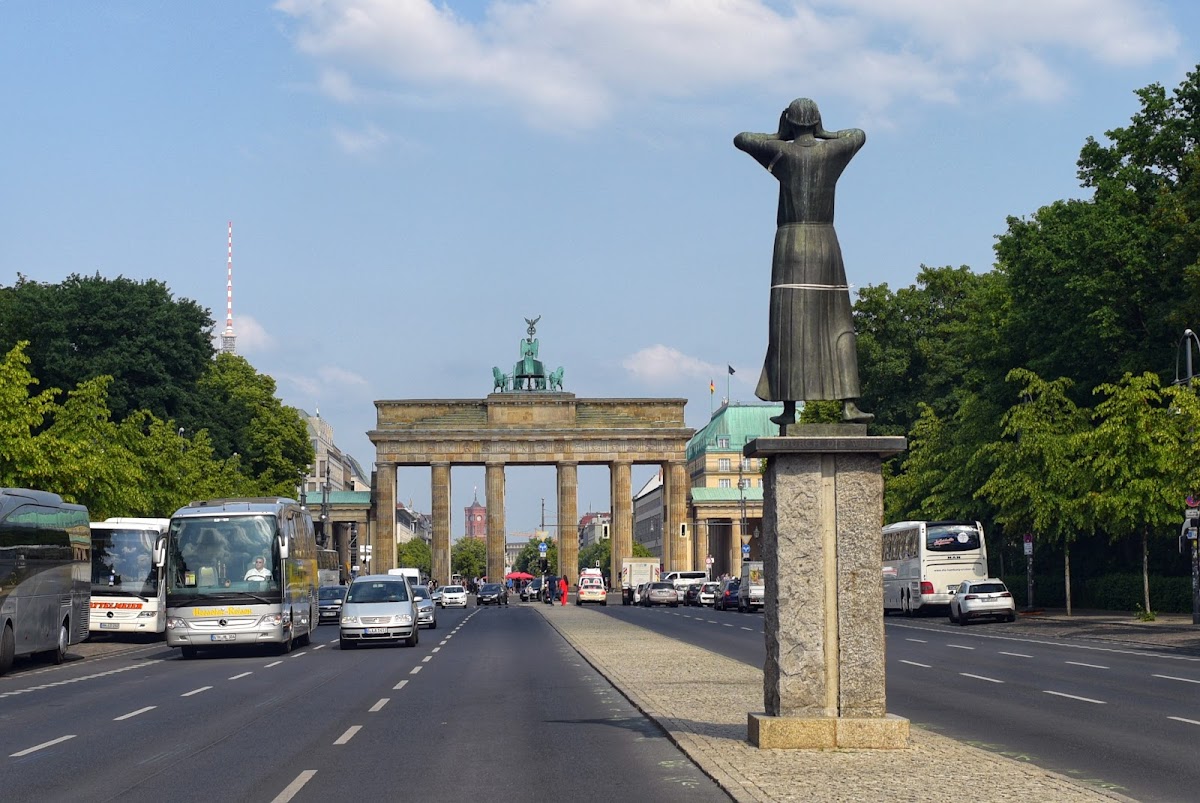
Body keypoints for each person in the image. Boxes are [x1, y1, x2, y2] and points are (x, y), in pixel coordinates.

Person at [734, 98, 873, 430]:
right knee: (837, 321)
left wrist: (778, 134)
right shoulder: (831, 152)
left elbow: (742, 139)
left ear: (790, 122)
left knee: (788, 327)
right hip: (825, 242)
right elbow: (859, 134)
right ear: (816, 121)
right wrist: (826, 133)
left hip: (791, 243)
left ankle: (789, 407)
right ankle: (848, 405)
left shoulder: (783, 153)